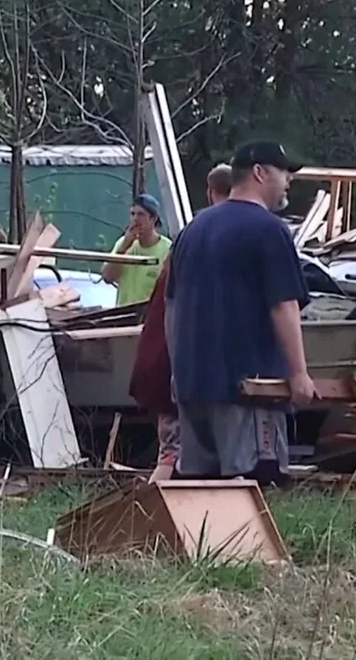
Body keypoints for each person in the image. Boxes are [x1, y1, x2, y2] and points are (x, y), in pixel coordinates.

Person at [165, 140, 315, 486]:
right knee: (253, 486)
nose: (289, 181)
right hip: (247, 389)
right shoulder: (269, 229)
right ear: (260, 173)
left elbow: (171, 308)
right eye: (284, 172)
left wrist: (178, 372)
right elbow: (284, 304)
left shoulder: (192, 230)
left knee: (201, 491)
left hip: (193, 388)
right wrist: (299, 373)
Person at [130, 169, 232, 482]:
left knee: (179, 454)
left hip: (168, 371)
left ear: (210, 192)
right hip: (176, 375)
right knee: (174, 454)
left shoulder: (186, 245)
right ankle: (153, 506)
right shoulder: (205, 250)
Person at [102, 194, 172, 306]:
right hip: (123, 312)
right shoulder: (122, 243)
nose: (135, 219)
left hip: (149, 313)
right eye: (132, 214)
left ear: (153, 219)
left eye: (141, 214)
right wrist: (123, 248)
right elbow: (107, 277)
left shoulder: (167, 249)